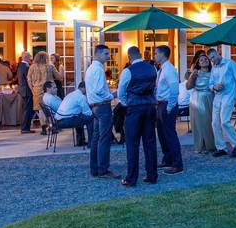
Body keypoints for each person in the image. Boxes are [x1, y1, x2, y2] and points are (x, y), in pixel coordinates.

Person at [117, 46, 158, 186]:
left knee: (132, 143)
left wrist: (125, 103)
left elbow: (121, 91)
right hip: (150, 107)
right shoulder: (152, 68)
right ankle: (152, 175)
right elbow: (155, 87)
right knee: (150, 142)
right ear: (141, 54)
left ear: (129, 57)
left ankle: (131, 178)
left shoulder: (128, 71)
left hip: (134, 107)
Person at [85, 44, 120, 179]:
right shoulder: (98, 69)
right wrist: (112, 95)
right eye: (106, 54)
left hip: (94, 106)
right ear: (98, 54)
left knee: (96, 139)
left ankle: (95, 168)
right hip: (102, 106)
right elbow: (100, 90)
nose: (108, 56)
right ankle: (103, 170)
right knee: (104, 139)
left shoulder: (90, 69)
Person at [208, 47, 236, 157]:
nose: (212, 60)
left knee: (224, 121)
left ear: (218, 53)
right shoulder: (213, 68)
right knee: (214, 123)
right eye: (211, 59)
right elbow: (210, 84)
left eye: (213, 57)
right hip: (217, 97)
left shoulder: (230, 64)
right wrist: (214, 87)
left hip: (229, 96)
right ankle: (221, 148)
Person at [154, 45, 183, 175]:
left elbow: (174, 90)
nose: (154, 56)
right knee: (162, 134)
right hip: (160, 104)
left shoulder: (169, 70)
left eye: (156, 53)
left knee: (170, 134)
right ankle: (168, 158)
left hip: (167, 105)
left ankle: (177, 164)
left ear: (162, 54)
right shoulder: (161, 69)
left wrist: (170, 106)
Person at [45, 81, 92, 146]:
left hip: (58, 120)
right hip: (65, 120)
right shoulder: (81, 97)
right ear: (84, 88)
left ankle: (81, 141)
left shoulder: (71, 94)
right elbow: (87, 113)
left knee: (80, 117)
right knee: (90, 118)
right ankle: (91, 142)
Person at [185, 51, 215, 153]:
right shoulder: (196, 73)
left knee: (209, 122)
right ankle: (200, 145)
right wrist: (192, 77)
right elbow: (188, 87)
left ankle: (210, 145)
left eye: (206, 59)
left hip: (209, 98)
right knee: (198, 124)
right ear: (198, 63)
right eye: (201, 60)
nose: (204, 61)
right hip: (197, 99)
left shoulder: (213, 72)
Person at [27, 51, 58, 135]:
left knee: (41, 110)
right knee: (50, 108)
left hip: (37, 90)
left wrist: (32, 89)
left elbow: (29, 79)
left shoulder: (32, 67)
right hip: (49, 89)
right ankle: (52, 126)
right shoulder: (50, 66)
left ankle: (43, 128)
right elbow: (59, 77)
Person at [17, 52, 34, 133]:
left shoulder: (21, 65)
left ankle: (25, 128)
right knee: (27, 110)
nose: (31, 59)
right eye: (30, 57)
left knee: (26, 109)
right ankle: (25, 128)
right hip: (27, 90)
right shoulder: (25, 66)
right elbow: (29, 78)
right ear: (26, 57)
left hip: (23, 90)